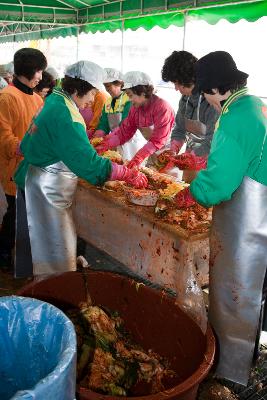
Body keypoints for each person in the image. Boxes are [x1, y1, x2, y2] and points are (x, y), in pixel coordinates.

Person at [175, 51, 267, 386]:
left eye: (206, 94)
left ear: (216, 89)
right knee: (252, 292)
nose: (207, 102)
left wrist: (192, 194)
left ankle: (229, 372)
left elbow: (220, 183)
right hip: (258, 213)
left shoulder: (236, 116)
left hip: (249, 220)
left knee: (234, 291)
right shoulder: (254, 104)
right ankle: (245, 358)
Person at [14, 60, 147, 277]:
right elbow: (89, 164)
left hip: (35, 177)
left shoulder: (56, 99)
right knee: (54, 253)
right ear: (79, 89)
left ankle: (38, 286)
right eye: (92, 93)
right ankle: (52, 294)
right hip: (46, 190)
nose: (94, 99)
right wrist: (126, 173)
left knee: (38, 243)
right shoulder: (67, 115)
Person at [0, 48, 47, 268]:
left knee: (25, 211)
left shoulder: (37, 99)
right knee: (15, 211)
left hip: (34, 166)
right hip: (13, 165)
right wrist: (24, 147)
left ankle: (19, 251)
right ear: (26, 70)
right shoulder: (7, 97)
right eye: (38, 71)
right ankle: (3, 251)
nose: (40, 76)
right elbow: (3, 135)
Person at [95, 71, 175, 169]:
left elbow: (158, 140)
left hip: (168, 151)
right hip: (151, 148)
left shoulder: (162, 107)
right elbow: (124, 133)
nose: (129, 100)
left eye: (130, 95)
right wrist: (106, 144)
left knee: (169, 180)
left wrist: (138, 157)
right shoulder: (135, 109)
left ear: (142, 92)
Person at [161, 50, 219, 182]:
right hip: (189, 161)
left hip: (209, 163)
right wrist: (173, 149)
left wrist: (189, 157)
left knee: (204, 198)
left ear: (187, 79)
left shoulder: (211, 101)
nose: (176, 88)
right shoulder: (184, 100)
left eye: (177, 83)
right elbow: (179, 129)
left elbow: (212, 140)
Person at [93, 67, 146, 161]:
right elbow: (104, 123)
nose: (107, 89)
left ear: (118, 84)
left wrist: (109, 137)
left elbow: (126, 122)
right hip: (115, 140)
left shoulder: (129, 99)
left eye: (109, 86)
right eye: (105, 86)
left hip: (131, 142)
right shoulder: (108, 101)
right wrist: (97, 137)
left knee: (131, 165)